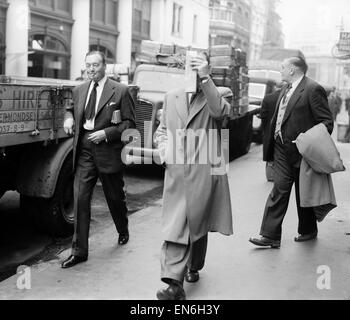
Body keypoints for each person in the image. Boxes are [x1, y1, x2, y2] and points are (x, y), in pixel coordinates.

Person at [154, 52, 233, 300]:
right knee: (176, 225)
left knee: (197, 222)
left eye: (198, 63)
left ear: (206, 66)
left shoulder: (217, 93)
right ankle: (173, 284)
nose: (192, 67)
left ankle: (195, 265)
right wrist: (165, 150)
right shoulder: (171, 96)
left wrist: (206, 78)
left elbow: (220, 113)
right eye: (189, 63)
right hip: (177, 173)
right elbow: (163, 130)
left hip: (204, 171)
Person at [249, 56, 333, 249]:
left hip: (301, 150)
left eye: (283, 67)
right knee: (279, 188)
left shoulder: (312, 89)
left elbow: (327, 122)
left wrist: (306, 140)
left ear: (293, 69)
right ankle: (270, 236)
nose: (281, 70)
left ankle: (308, 230)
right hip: (280, 148)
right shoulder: (286, 89)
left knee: (303, 192)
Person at [61, 51, 135, 268]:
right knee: (81, 199)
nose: (91, 69)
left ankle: (123, 228)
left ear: (104, 66)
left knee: (114, 198)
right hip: (84, 149)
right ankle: (79, 252)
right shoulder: (79, 89)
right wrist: (68, 118)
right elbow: (70, 109)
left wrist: (107, 134)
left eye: (95, 65)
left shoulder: (120, 91)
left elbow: (130, 124)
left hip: (108, 150)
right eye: (88, 65)